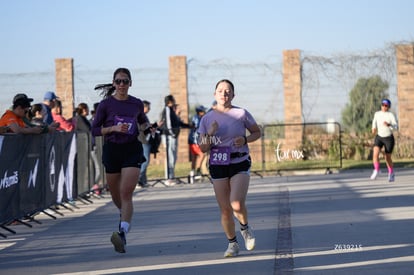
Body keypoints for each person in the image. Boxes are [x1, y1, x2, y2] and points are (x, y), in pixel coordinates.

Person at [198, 79, 261, 258]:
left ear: (233, 95)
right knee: (225, 209)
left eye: (228, 91)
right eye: (220, 91)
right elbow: (203, 148)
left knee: (236, 203)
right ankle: (232, 244)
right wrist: (210, 133)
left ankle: (245, 228)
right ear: (214, 94)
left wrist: (245, 139)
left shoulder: (241, 113)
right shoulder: (207, 118)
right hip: (218, 164)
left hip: (239, 161)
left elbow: (257, 132)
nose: (224, 94)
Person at [91, 68, 151, 253]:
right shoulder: (105, 105)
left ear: (130, 83)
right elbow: (94, 130)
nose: (122, 85)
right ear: (114, 83)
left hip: (132, 149)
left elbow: (142, 121)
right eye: (118, 81)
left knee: (126, 193)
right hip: (112, 150)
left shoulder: (136, 103)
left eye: (125, 81)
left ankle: (123, 231)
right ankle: (124, 215)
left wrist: (149, 127)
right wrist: (113, 129)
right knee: (116, 195)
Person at [160, 95, 190, 186]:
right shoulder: (167, 109)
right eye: (173, 100)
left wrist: (190, 126)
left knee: (173, 157)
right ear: (169, 101)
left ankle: (171, 176)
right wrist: (172, 134)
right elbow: (168, 123)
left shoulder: (172, 111)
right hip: (169, 137)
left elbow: (178, 123)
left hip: (172, 136)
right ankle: (168, 178)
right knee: (170, 157)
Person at [370, 98, 398, 182]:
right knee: (375, 153)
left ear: (388, 107)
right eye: (383, 105)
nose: (384, 107)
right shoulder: (377, 114)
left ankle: (391, 173)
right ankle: (376, 170)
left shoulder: (390, 115)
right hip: (379, 137)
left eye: (386, 105)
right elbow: (374, 122)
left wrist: (389, 124)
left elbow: (396, 126)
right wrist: (373, 128)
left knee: (387, 157)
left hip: (388, 138)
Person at [188, 105, 207, 183]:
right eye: (203, 111)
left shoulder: (196, 117)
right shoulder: (197, 118)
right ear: (200, 112)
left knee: (194, 158)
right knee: (202, 154)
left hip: (193, 140)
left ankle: (192, 173)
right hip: (195, 140)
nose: (204, 112)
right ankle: (198, 171)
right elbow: (199, 128)